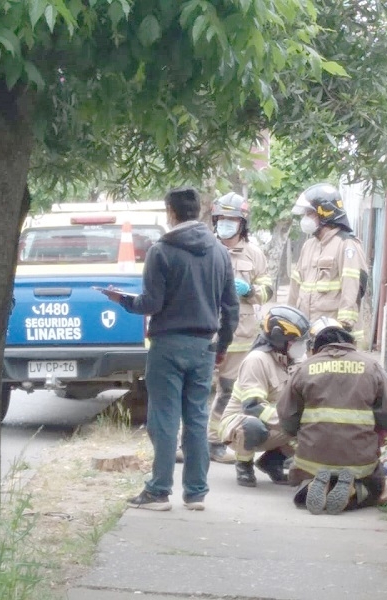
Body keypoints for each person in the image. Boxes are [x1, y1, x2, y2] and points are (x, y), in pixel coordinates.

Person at [100, 187, 239, 511]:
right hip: (204, 345)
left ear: (170, 212)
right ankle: (196, 493)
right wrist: (223, 345)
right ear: (198, 211)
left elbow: (152, 303)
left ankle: (159, 491)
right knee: (197, 417)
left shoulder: (161, 251)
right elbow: (231, 307)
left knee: (164, 418)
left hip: (168, 345)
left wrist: (123, 300)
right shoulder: (219, 252)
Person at [276, 317, 387, 515]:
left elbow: (286, 414)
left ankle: (312, 484)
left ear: (316, 346)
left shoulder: (304, 368)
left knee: (305, 473)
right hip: (358, 459)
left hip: (312, 457)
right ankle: (354, 489)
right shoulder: (370, 367)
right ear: (350, 342)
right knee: (375, 487)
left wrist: (297, 434)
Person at [207, 192, 273, 464]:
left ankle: (214, 442)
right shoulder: (205, 248)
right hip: (206, 332)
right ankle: (188, 444)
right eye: (221, 219)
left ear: (242, 223)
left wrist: (250, 290)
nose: (226, 224)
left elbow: (267, 290)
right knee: (195, 391)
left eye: (232, 219)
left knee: (228, 391)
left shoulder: (255, 254)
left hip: (240, 337)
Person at [218, 305, 309, 487]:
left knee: (311, 421)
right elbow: (253, 406)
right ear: (279, 338)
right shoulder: (257, 360)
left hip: (274, 421)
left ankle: (272, 462)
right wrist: (291, 420)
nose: (301, 346)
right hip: (240, 423)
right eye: (296, 341)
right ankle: (244, 464)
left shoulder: (296, 360)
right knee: (253, 426)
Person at [288, 183, 369, 347]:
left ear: (325, 212)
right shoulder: (308, 246)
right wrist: (289, 320)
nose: (305, 218)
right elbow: (295, 289)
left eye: (309, 213)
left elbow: (352, 289)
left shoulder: (346, 245)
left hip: (335, 338)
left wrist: (343, 329)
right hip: (309, 335)